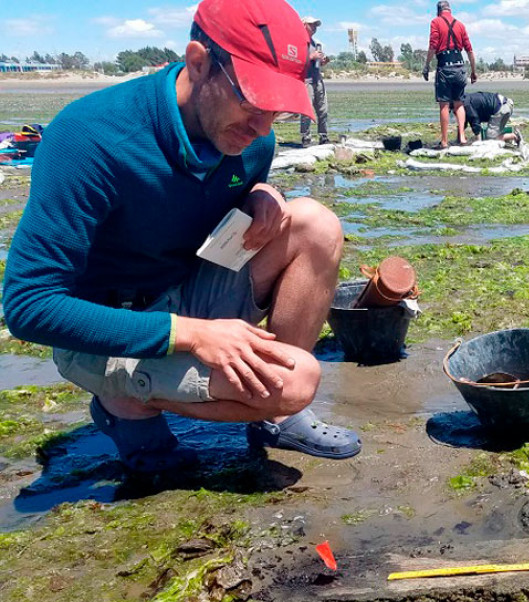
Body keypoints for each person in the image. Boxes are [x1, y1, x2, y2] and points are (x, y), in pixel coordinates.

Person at [1, 0, 361, 473]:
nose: (263, 128)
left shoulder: (254, 141)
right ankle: (123, 406)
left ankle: (275, 418)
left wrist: (258, 193)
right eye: (252, 101)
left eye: (279, 112)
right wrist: (190, 334)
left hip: (183, 287)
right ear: (198, 61)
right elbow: (29, 306)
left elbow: (191, 203)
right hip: (104, 328)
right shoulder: (89, 138)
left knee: (315, 222)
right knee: (296, 383)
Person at [422, 0, 476, 148]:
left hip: (445, 67)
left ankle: (445, 142)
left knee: (444, 105)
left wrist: (426, 66)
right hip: (460, 67)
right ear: (450, 10)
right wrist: (474, 71)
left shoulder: (436, 22)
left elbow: (433, 45)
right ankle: (463, 139)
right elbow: (469, 50)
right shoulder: (460, 25)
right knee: (459, 104)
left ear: (439, 10)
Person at [299, 16, 330, 146]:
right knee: (307, 110)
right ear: (304, 24)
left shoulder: (314, 43)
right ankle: (306, 137)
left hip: (317, 79)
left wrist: (323, 61)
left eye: (316, 25)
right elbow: (296, 61)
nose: (315, 27)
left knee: (323, 108)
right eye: (312, 25)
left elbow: (315, 63)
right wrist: (312, 56)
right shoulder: (299, 41)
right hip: (306, 80)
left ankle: (323, 136)